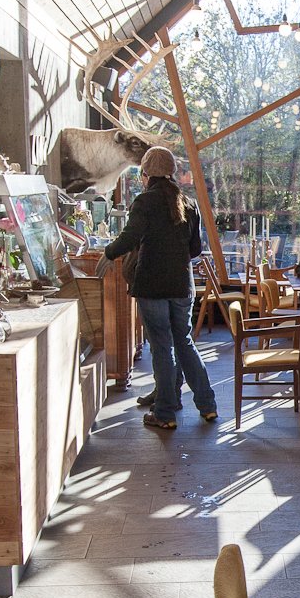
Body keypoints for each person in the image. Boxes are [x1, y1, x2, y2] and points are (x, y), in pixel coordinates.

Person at [102, 146, 218, 430]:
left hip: (152, 284)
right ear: (172, 171)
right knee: (185, 343)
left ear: (144, 173)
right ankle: (208, 405)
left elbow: (130, 237)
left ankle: (165, 413)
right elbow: (195, 249)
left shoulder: (145, 201)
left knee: (162, 347)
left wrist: (108, 253)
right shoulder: (188, 203)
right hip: (182, 284)